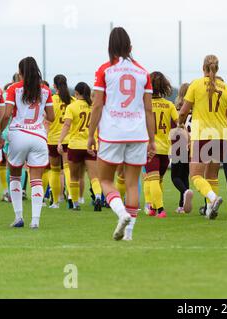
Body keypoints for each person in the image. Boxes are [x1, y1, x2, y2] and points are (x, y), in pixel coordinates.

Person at [88, 27, 156, 241]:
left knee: (105, 180)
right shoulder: (143, 72)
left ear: (110, 48)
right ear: (130, 47)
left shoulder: (105, 70)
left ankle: (121, 213)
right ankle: (128, 235)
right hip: (138, 133)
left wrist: (90, 135)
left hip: (112, 133)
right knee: (131, 183)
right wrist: (152, 140)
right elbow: (148, 109)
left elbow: (97, 105)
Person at [0, 57, 55, 229]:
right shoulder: (45, 90)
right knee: (36, 178)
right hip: (38, 136)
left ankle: (18, 217)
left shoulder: (15, 88)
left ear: (21, 72)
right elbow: (51, 117)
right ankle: (35, 220)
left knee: (14, 173)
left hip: (18, 135)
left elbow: (7, 114)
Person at [178, 55, 227, 220]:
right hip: (220, 135)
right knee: (212, 176)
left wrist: (180, 123)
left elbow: (183, 111)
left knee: (195, 176)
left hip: (202, 134)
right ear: (217, 68)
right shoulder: (225, 88)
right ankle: (210, 210)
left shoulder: (196, 84)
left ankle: (212, 198)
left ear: (203, 67)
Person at [57, 82, 102, 211]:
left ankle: (75, 204)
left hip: (75, 145)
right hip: (90, 146)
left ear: (76, 93)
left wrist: (60, 141)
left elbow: (66, 125)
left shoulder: (72, 107)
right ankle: (98, 196)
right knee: (94, 177)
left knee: (74, 177)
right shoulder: (93, 107)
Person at [144, 71, 180, 218]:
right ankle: (152, 206)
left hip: (149, 148)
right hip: (165, 149)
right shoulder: (169, 105)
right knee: (156, 179)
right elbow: (179, 123)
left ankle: (160, 209)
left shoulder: (144, 104)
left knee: (151, 178)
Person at [47, 74, 74, 209]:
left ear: (54, 86)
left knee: (55, 170)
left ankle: (56, 202)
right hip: (69, 139)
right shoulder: (73, 100)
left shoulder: (51, 100)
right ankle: (71, 197)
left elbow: (46, 118)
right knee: (68, 169)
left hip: (53, 139)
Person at [170, 83, 193, 214]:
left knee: (175, 177)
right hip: (191, 145)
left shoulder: (177, 110)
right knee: (184, 176)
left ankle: (185, 192)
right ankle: (182, 206)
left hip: (179, 144)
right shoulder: (195, 110)